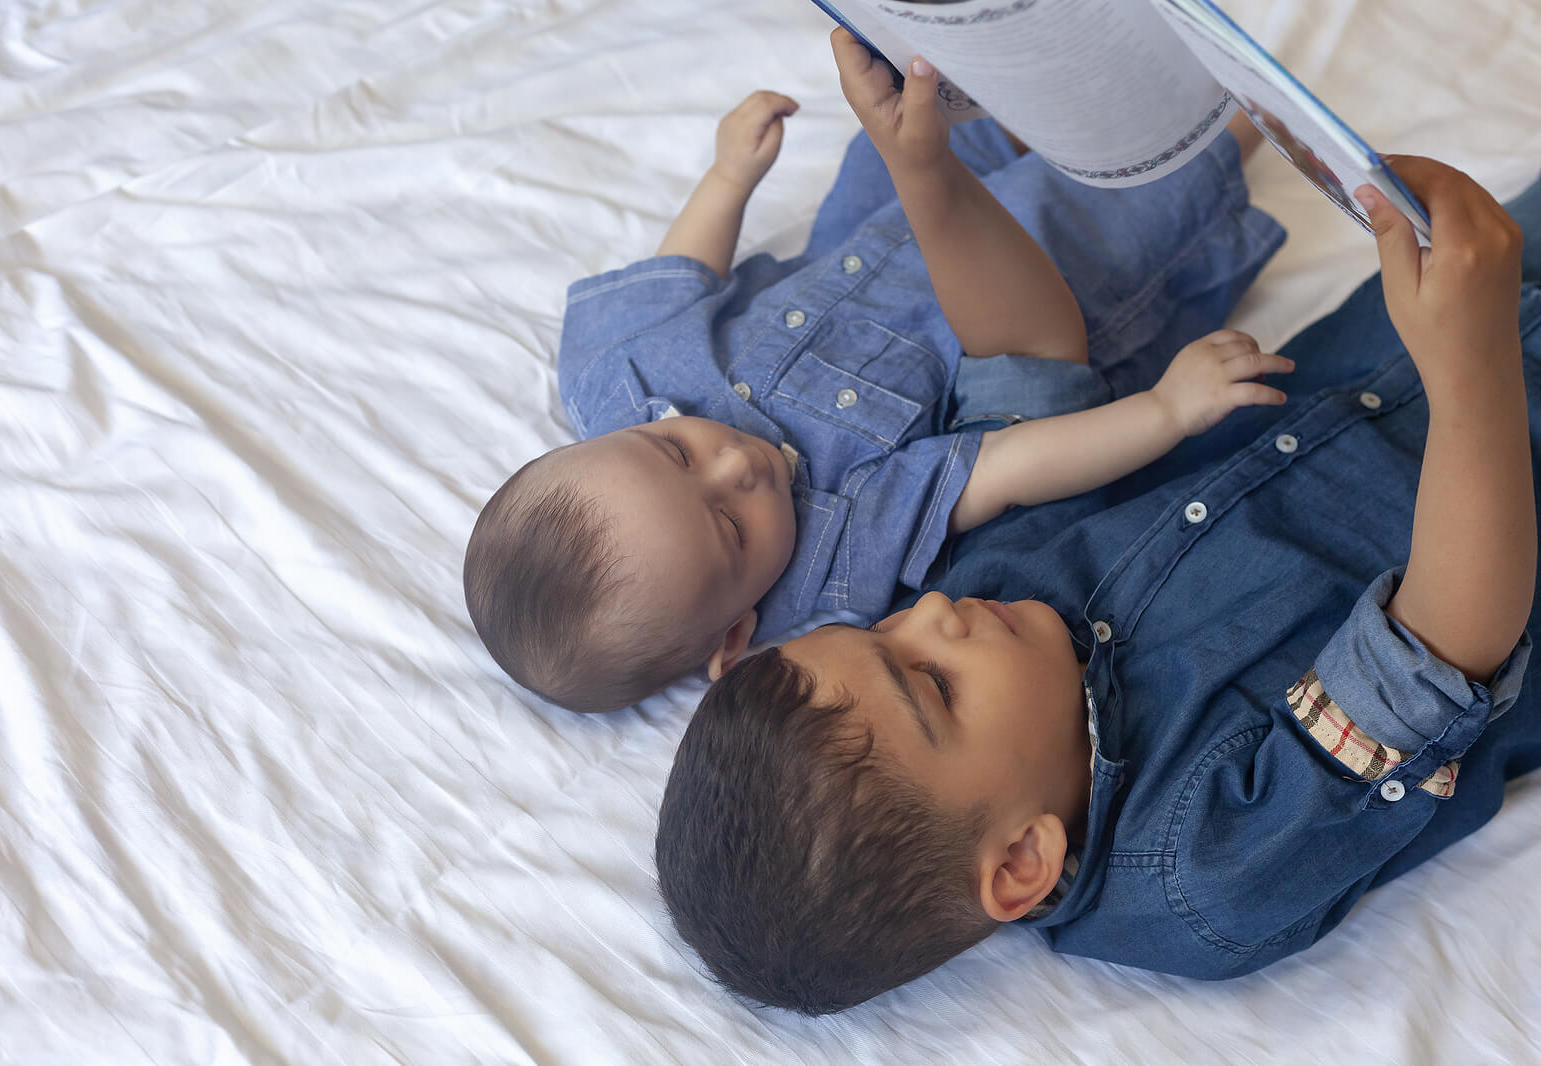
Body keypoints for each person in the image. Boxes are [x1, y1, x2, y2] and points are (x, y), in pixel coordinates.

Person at [655, 156, 1541, 1015]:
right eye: (931, 683)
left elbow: (1026, 362)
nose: (930, 613)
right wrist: (1470, 359)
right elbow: (1447, 648)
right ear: (1020, 865)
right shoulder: (1205, 868)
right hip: (1480, 394)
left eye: (884, 632)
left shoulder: (999, 603)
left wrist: (923, 168)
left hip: (1415, 338)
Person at [463, 32, 1286, 713]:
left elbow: (677, 281)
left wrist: (728, 179)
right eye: (731, 527)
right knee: (1131, 191)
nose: (738, 464)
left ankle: (1041, 60)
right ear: (735, 635)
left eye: (676, 453)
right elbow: (1006, 467)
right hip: (1023, 295)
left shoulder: (616, 381)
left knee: (931, 111)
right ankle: (1253, 101)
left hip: (866, 234)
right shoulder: (840, 550)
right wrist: (1167, 414)